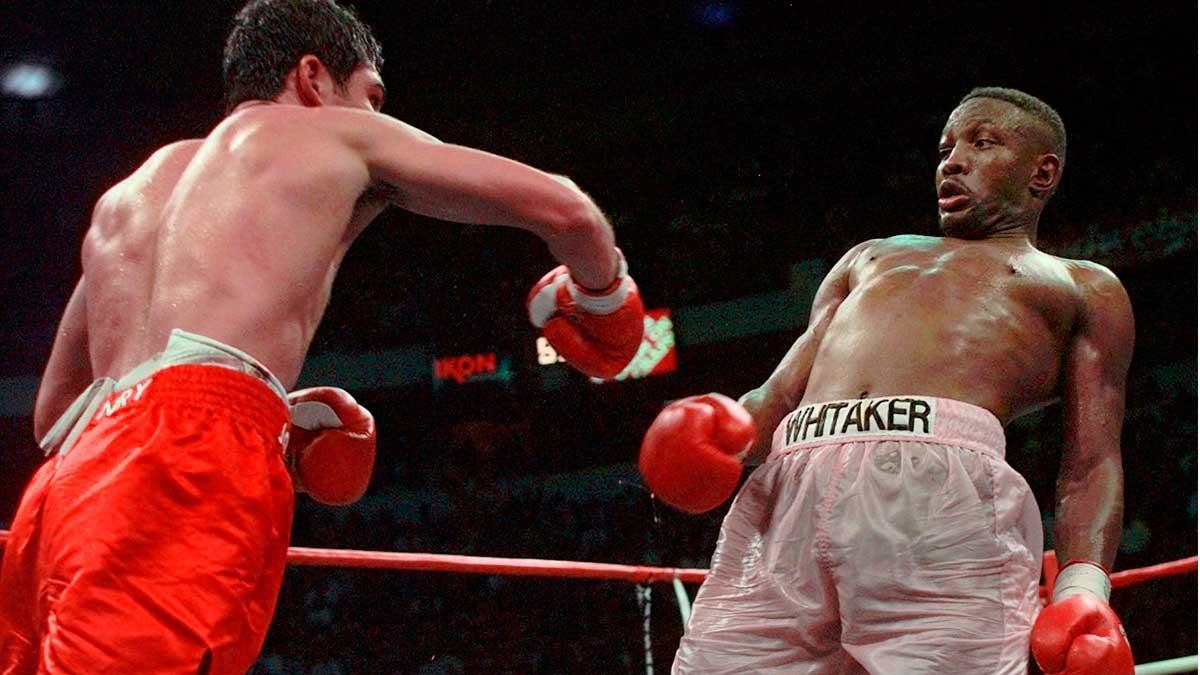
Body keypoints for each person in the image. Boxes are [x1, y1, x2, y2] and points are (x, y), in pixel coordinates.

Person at [0, 1, 645, 672]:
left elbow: (56, 416)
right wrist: (606, 297)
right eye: (371, 96)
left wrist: (267, 418)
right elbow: (564, 207)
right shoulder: (333, 136)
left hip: (62, 491)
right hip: (184, 459)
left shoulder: (125, 196)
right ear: (313, 76)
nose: (374, 116)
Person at [639, 87, 1135, 674]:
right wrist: (720, 435)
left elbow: (1091, 460)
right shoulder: (869, 257)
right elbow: (777, 396)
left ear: (1042, 172)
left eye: (983, 142)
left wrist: (1083, 592)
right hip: (790, 488)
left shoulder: (1078, 284)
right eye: (946, 147)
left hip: (941, 499)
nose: (952, 160)